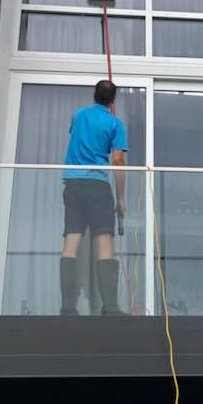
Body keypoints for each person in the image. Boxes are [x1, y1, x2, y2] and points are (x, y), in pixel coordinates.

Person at [59, 79, 127, 315]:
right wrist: (120, 198)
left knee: (71, 242)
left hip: (73, 184)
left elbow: (77, 136)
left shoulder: (78, 115)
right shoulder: (115, 123)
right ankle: (109, 306)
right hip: (98, 185)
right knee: (104, 242)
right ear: (113, 100)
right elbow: (118, 160)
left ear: (94, 95)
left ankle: (67, 307)